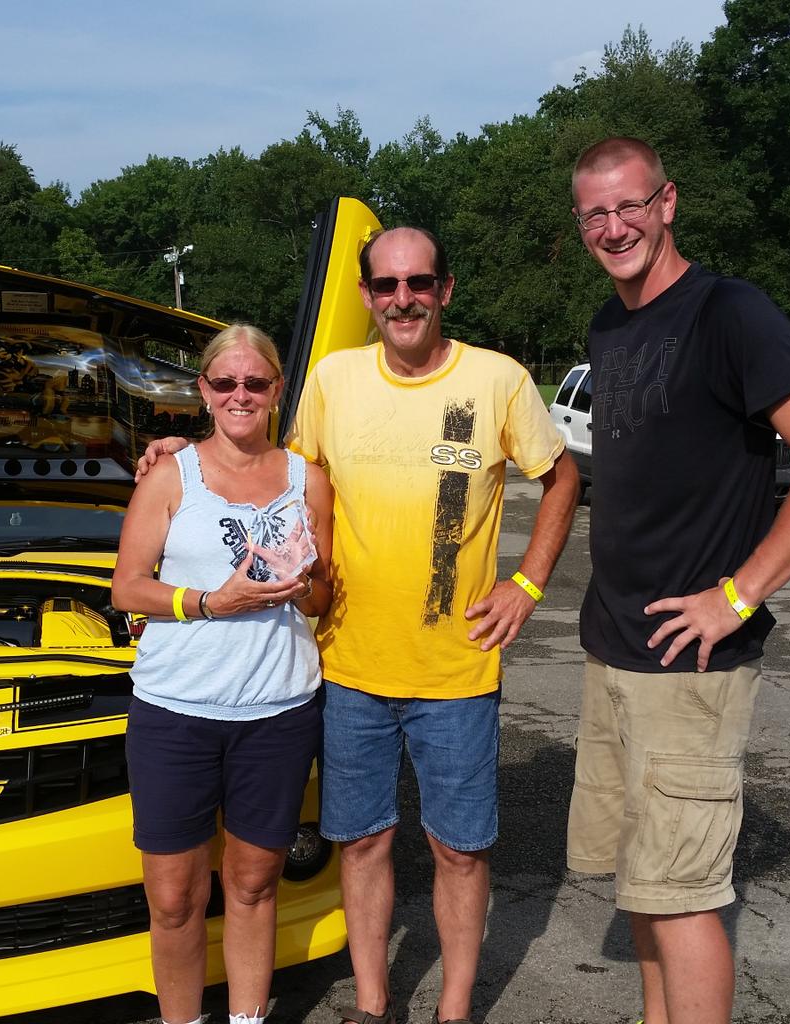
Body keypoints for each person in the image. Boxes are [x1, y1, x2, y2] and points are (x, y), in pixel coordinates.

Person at [139, 226, 579, 1024]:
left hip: (457, 665)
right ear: (366, 297)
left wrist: (527, 583)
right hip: (343, 667)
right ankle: (373, 1005)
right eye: (386, 286)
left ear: (445, 289)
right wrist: (185, 451)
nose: (402, 299)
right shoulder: (334, 381)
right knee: (365, 842)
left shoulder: (498, 380)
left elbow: (563, 476)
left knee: (459, 850)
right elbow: (275, 469)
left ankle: (452, 1011)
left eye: (418, 283)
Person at [566, 137, 790, 1024]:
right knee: (646, 890)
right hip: (615, 646)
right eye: (596, 213)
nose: (615, 226)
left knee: (687, 897)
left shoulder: (730, 312)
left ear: (668, 202)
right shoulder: (612, 325)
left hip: (690, 665)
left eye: (631, 205)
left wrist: (738, 594)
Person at [112, 323, 334, 1024]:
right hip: (175, 713)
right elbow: (126, 589)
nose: (241, 395)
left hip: (277, 711)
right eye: (225, 382)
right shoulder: (169, 476)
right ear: (204, 391)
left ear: (276, 391)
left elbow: (327, 597)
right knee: (175, 897)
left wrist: (299, 584)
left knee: (254, 884)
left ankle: (246, 1018)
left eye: (256, 383)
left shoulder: (310, 480)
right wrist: (210, 601)